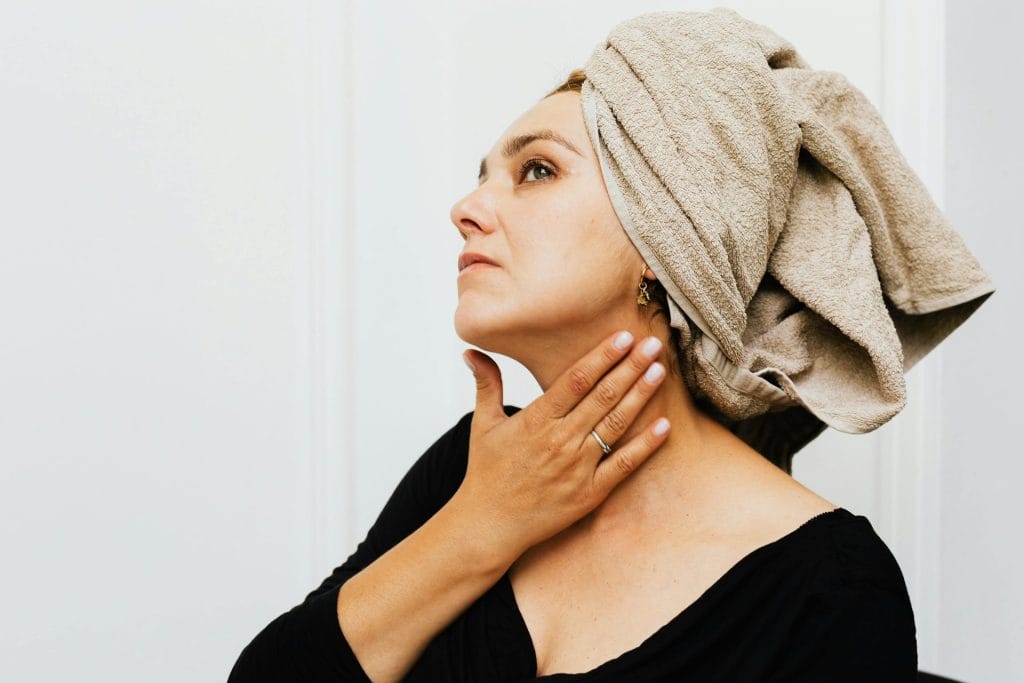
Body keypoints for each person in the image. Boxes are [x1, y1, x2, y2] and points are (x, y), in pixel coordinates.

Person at [227, 63, 918, 681]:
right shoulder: (475, 468)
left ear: (666, 236)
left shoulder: (833, 589)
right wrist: (482, 523)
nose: (465, 211)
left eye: (536, 171)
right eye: (482, 178)